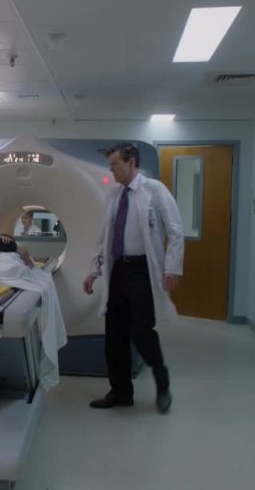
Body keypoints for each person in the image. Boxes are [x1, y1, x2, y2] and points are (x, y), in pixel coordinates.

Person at [83, 142, 184, 414]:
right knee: (114, 335)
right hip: (118, 269)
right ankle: (120, 392)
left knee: (141, 330)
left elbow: (175, 230)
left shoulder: (154, 190)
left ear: (131, 163)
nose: (111, 170)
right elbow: (105, 238)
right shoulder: (114, 195)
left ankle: (162, 383)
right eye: (110, 165)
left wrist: (172, 268)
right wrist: (94, 271)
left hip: (142, 270)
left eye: (115, 164)